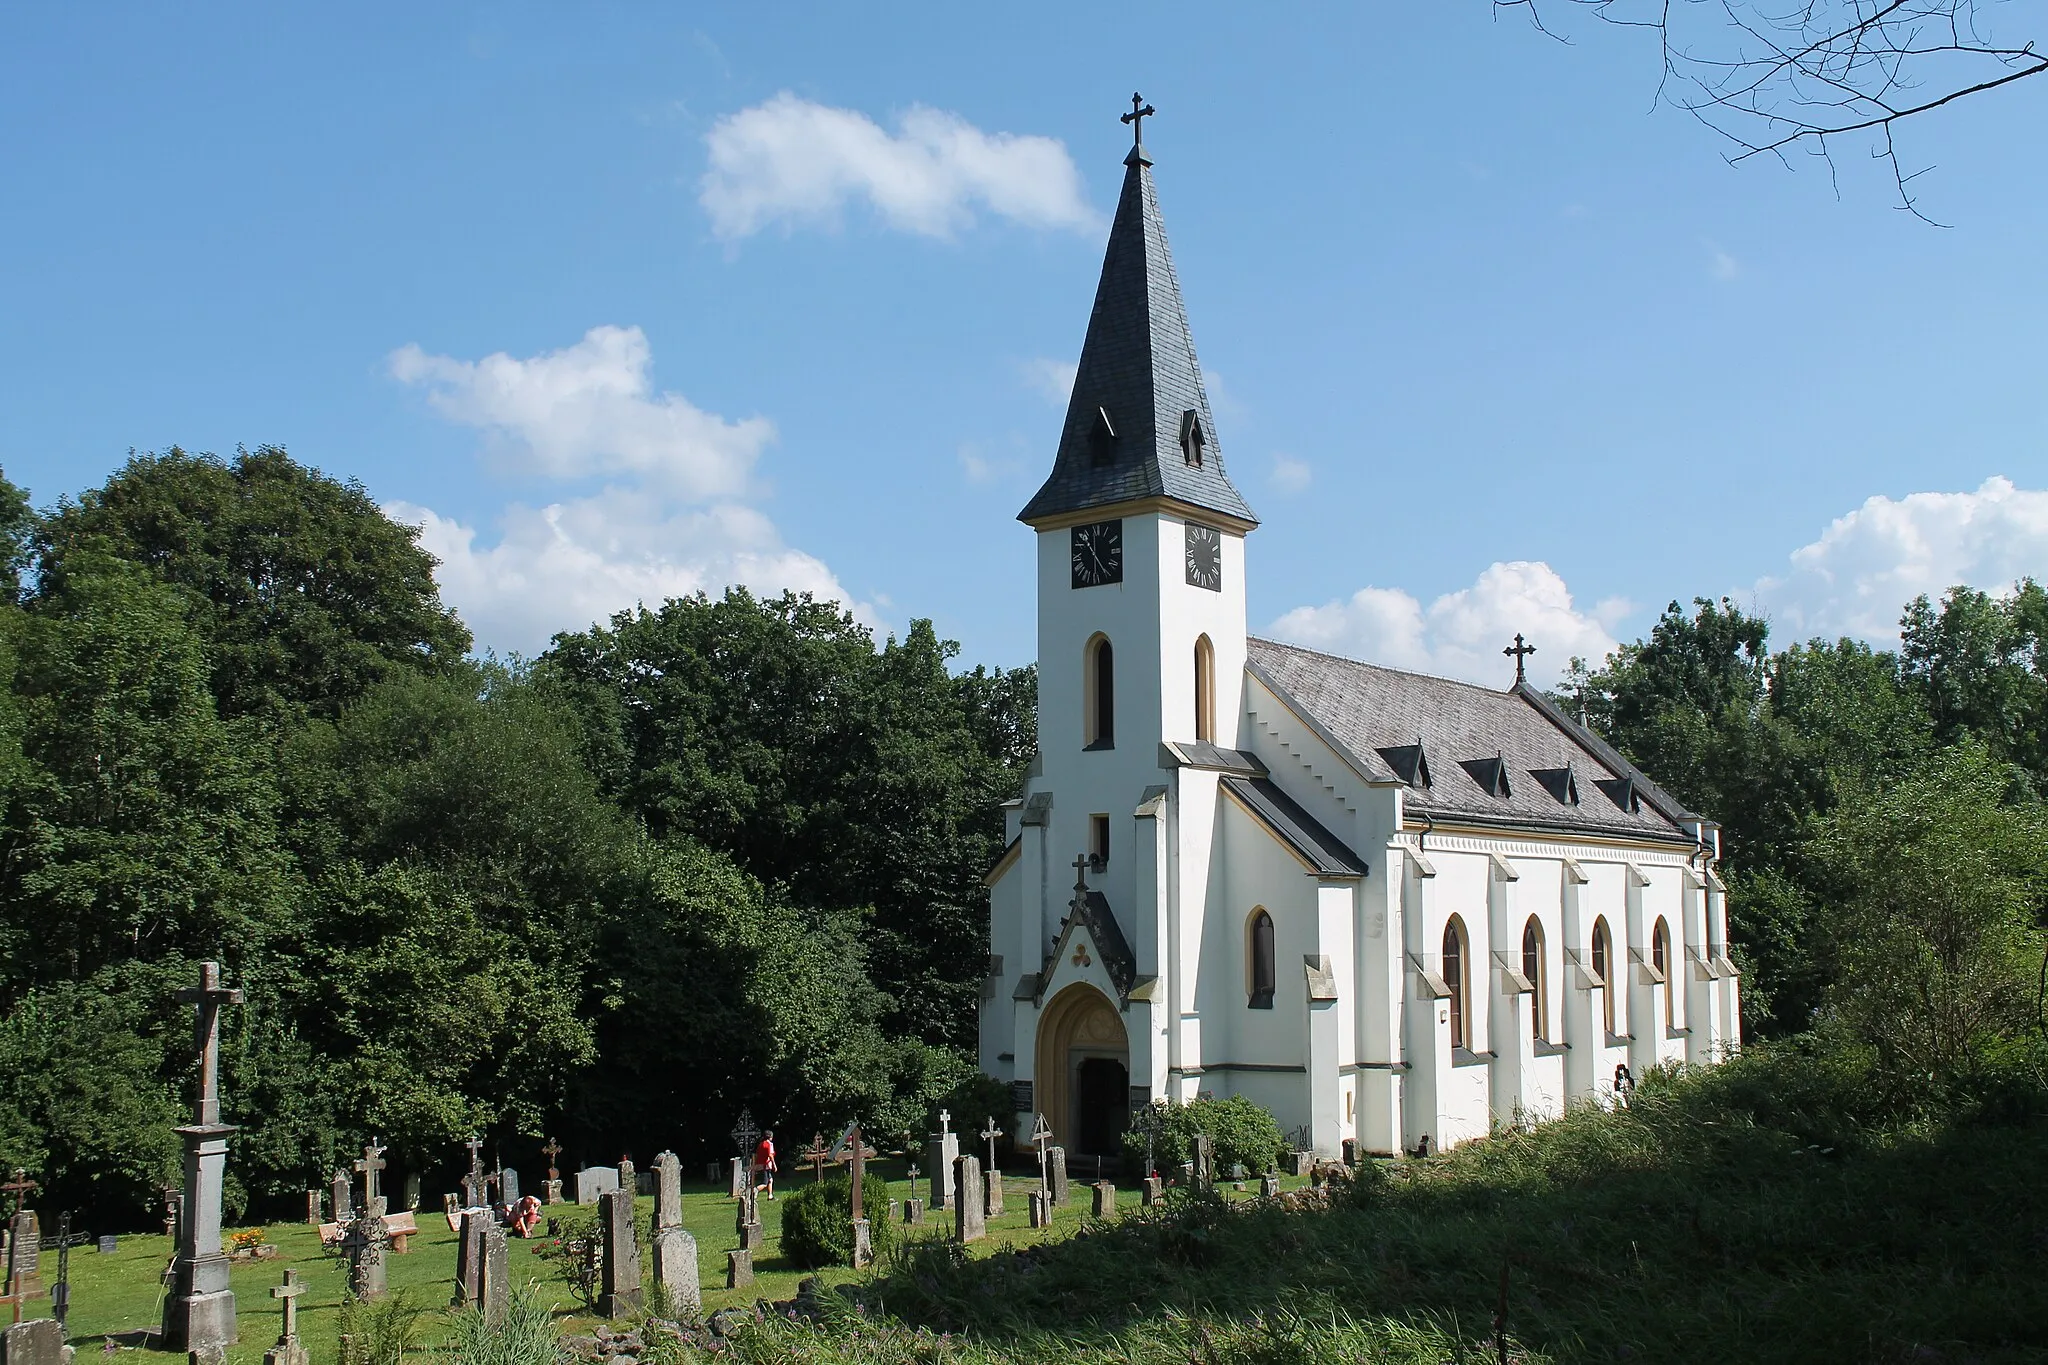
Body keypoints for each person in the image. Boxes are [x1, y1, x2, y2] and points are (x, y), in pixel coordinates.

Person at [753, 1129, 778, 1200]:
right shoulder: (769, 1144)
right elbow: (770, 1155)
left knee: (770, 1180)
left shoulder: (761, 1144)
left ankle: (770, 1196)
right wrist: (774, 1165)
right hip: (766, 1165)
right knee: (765, 1183)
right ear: (770, 1137)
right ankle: (755, 1190)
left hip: (760, 1165)